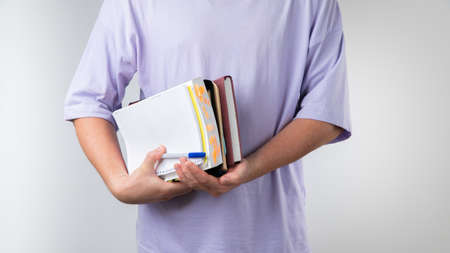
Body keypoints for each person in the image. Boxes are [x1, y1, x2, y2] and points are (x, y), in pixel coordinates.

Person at [64, 0, 351, 252]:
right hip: (168, 240)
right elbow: (89, 100)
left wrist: (250, 168)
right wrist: (119, 184)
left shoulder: (312, 3)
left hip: (274, 236)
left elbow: (326, 112)